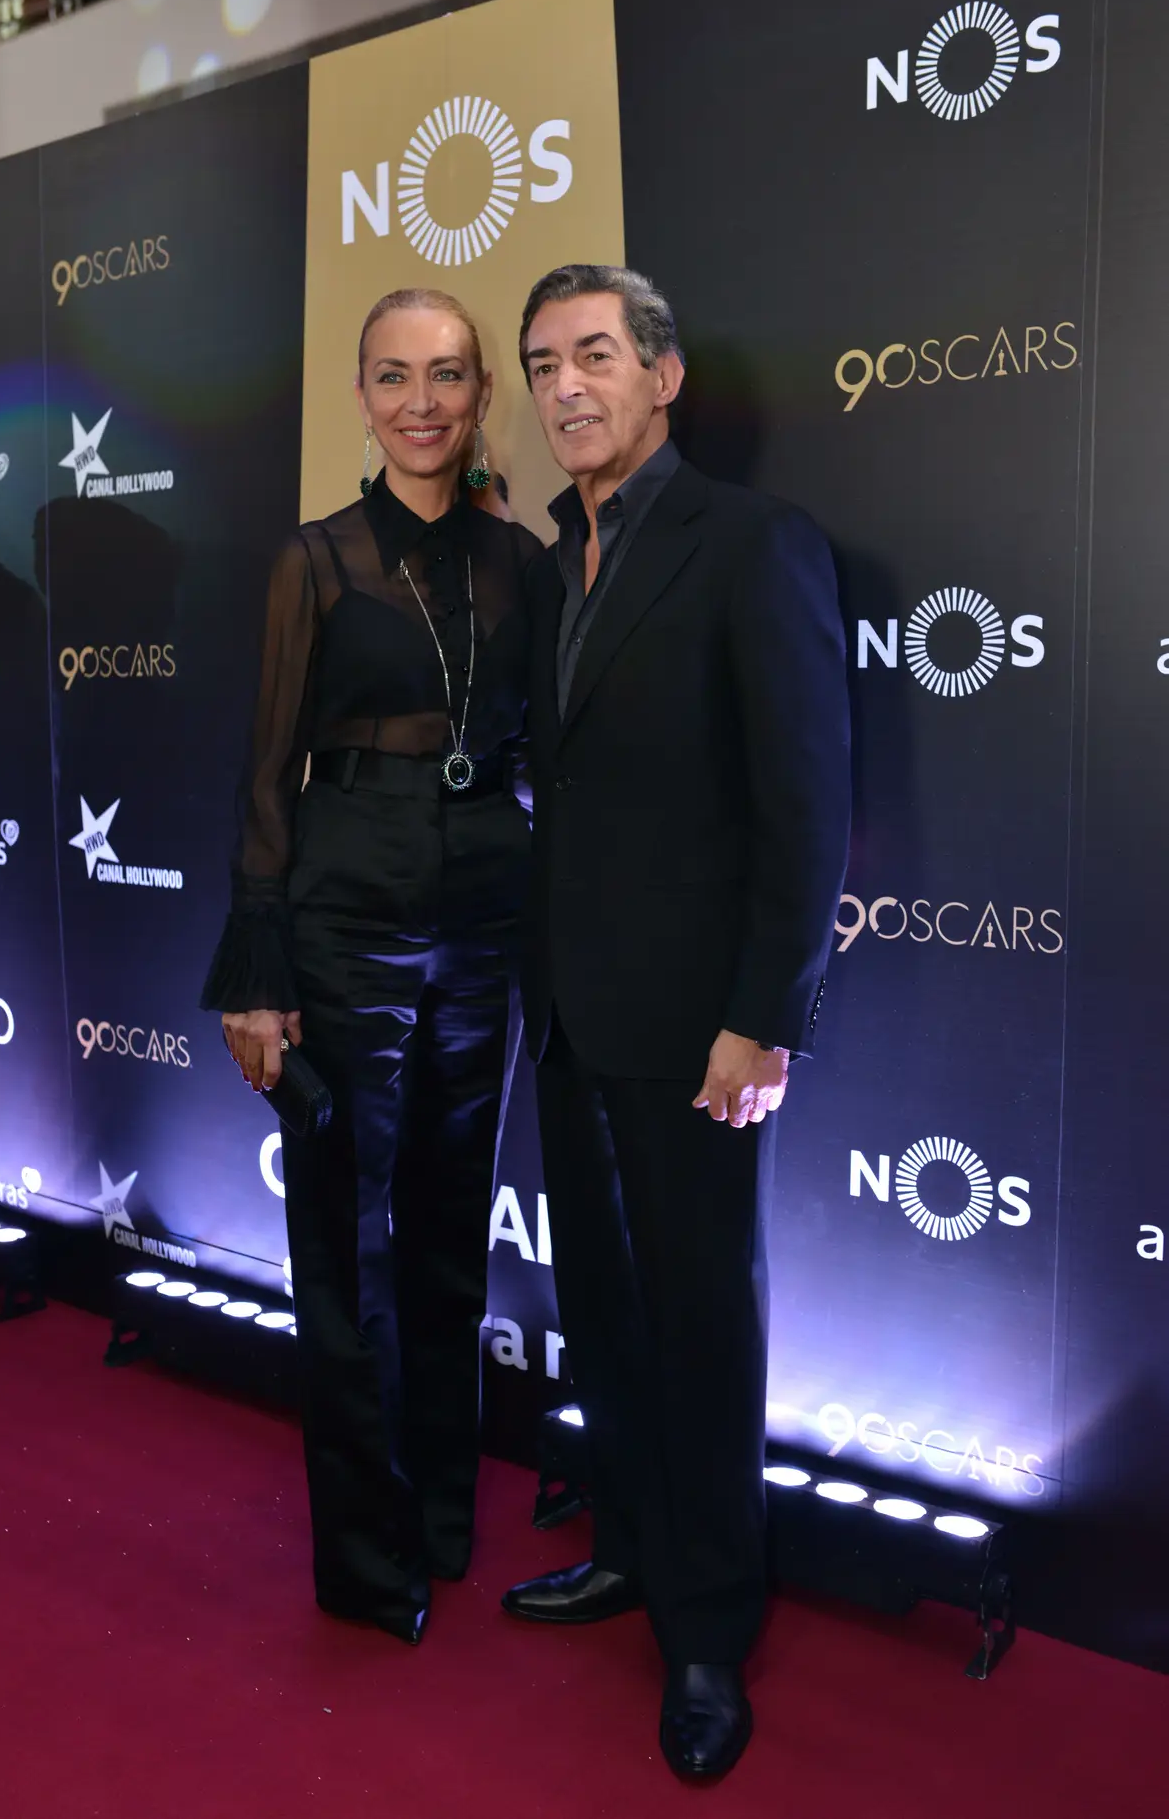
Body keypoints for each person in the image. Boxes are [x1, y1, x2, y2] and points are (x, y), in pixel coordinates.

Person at [502, 265, 851, 1778]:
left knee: (704, 1323)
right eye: (541, 363)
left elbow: (808, 804)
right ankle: (632, 1550)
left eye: (593, 353)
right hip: (571, 1017)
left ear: (663, 375)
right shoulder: (548, 569)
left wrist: (764, 1018)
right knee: (606, 1311)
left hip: (703, 1030)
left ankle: (707, 1629)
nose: (564, 385)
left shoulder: (753, 542)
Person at [202, 288, 539, 1645]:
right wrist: (257, 968)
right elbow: (266, 772)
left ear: (480, 394)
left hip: (486, 921)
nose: (421, 402)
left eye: (447, 375)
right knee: (347, 1241)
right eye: (394, 376)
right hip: (344, 922)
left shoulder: (522, 559)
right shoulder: (318, 560)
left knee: (454, 1229)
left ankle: (441, 1510)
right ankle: (363, 1551)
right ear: (361, 395)